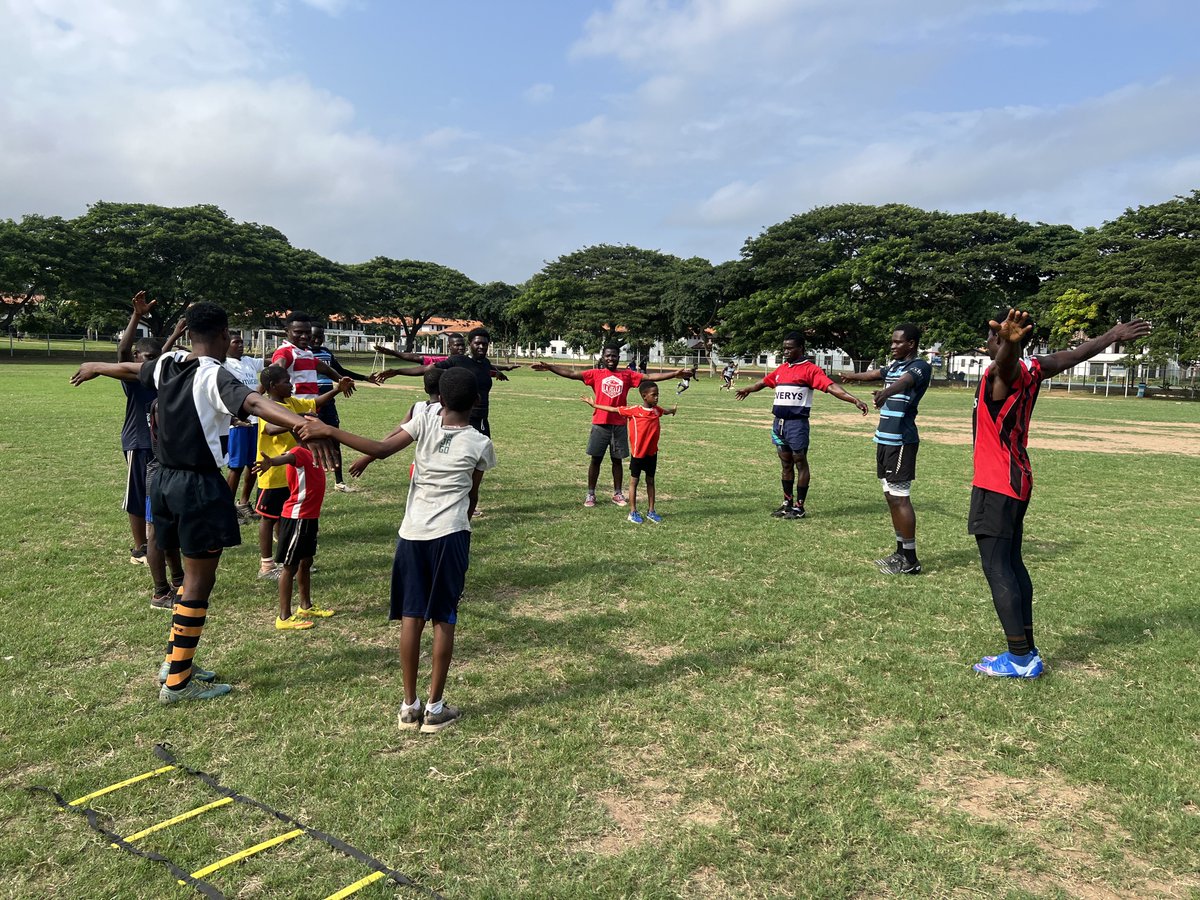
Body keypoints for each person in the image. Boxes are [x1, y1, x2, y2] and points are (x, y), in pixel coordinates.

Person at [95, 302, 336, 703]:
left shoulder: (168, 363)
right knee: (196, 582)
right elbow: (257, 404)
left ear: (188, 333)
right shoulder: (214, 375)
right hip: (197, 487)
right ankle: (177, 684)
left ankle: (176, 661)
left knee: (184, 580)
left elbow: (131, 370)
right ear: (224, 335)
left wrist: (94, 367)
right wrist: (303, 423)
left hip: (164, 480)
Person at [298, 368, 497, 734]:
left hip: (412, 533)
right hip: (450, 535)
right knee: (443, 619)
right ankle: (435, 709)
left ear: (440, 397)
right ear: (477, 401)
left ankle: (409, 707)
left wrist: (329, 430)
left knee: (411, 616)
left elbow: (381, 449)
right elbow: (472, 495)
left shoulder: (423, 418)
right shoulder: (480, 443)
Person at [969, 309, 1150, 679]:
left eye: (992, 339)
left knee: (996, 566)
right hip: (1017, 478)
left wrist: (1007, 349)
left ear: (1002, 343)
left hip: (997, 483)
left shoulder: (1000, 373)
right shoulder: (1037, 367)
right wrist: (1110, 334)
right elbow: (1075, 355)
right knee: (1013, 563)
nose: (987, 344)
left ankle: (1019, 658)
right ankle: (1027, 649)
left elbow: (1006, 369)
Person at [531, 346, 694, 508]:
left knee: (617, 460)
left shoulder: (627, 375)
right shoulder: (595, 374)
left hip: (619, 425)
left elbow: (649, 376)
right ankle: (591, 493)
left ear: (618, 357)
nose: (611, 358)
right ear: (603, 357)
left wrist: (674, 374)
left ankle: (617, 493)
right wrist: (550, 367)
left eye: (614, 356)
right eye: (608, 356)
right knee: (596, 460)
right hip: (600, 424)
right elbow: (572, 374)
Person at [736, 331, 868, 519]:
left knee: (800, 462)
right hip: (778, 424)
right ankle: (787, 503)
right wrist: (748, 389)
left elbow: (831, 387)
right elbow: (764, 382)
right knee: (785, 463)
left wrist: (854, 400)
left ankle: (800, 506)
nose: (786, 351)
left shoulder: (810, 370)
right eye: (784, 348)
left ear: (801, 349)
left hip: (797, 425)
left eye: (790, 348)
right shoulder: (782, 369)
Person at [836, 324, 932, 574]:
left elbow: (904, 383)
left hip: (901, 440)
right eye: (892, 342)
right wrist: (852, 377)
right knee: (890, 495)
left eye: (898, 342)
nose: (893, 346)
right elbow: (876, 374)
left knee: (900, 498)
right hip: (884, 439)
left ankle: (911, 560)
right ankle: (900, 553)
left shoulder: (919, 366)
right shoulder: (895, 365)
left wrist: (885, 393)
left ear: (911, 344)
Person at [255, 365, 352, 578]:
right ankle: (266, 566)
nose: (291, 385)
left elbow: (314, 404)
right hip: (272, 471)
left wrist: (337, 389)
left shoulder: (290, 402)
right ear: (272, 386)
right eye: (286, 382)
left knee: (286, 517)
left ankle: (288, 560)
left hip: (291, 473)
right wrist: (297, 417)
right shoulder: (267, 406)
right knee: (269, 518)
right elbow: (270, 428)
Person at [254, 440, 334, 630]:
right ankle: (284, 617)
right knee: (289, 567)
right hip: (297, 517)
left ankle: (305, 606)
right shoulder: (299, 452)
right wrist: (272, 462)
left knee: (306, 562)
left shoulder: (315, 454)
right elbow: (287, 458)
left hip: (310, 517)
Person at [582, 382, 676, 524]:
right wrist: (595, 405)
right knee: (634, 482)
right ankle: (633, 512)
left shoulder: (657, 410)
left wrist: (672, 410)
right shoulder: (634, 411)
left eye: (658, 395)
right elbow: (613, 409)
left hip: (652, 453)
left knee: (651, 481)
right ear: (644, 396)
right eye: (654, 395)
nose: (657, 398)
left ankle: (651, 511)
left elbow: (665, 411)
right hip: (638, 454)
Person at [350, 368, 443, 482]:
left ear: (425, 389)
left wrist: (366, 458)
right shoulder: (448, 410)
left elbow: (394, 435)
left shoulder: (417, 408)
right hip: (439, 470)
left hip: (418, 468)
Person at [310, 324, 370, 492]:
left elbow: (341, 371)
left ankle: (339, 482)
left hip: (328, 401)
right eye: (313, 336)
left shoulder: (326, 353)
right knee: (309, 443)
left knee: (335, 440)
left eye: (320, 336)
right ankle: (310, 481)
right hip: (309, 402)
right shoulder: (302, 354)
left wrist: (365, 377)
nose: (316, 339)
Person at [222, 333, 264, 523]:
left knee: (253, 465)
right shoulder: (223, 364)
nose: (240, 345)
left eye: (242, 342)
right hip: (238, 422)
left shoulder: (249, 361)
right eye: (235, 342)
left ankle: (244, 503)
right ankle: (227, 507)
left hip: (255, 421)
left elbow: (271, 363)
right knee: (236, 466)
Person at [271, 312, 357, 402]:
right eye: (298, 332)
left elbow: (327, 370)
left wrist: (342, 381)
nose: (304, 336)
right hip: (294, 411)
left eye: (308, 332)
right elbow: (274, 371)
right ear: (287, 331)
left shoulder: (307, 353)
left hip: (309, 408)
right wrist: (257, 395)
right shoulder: (286, 351)